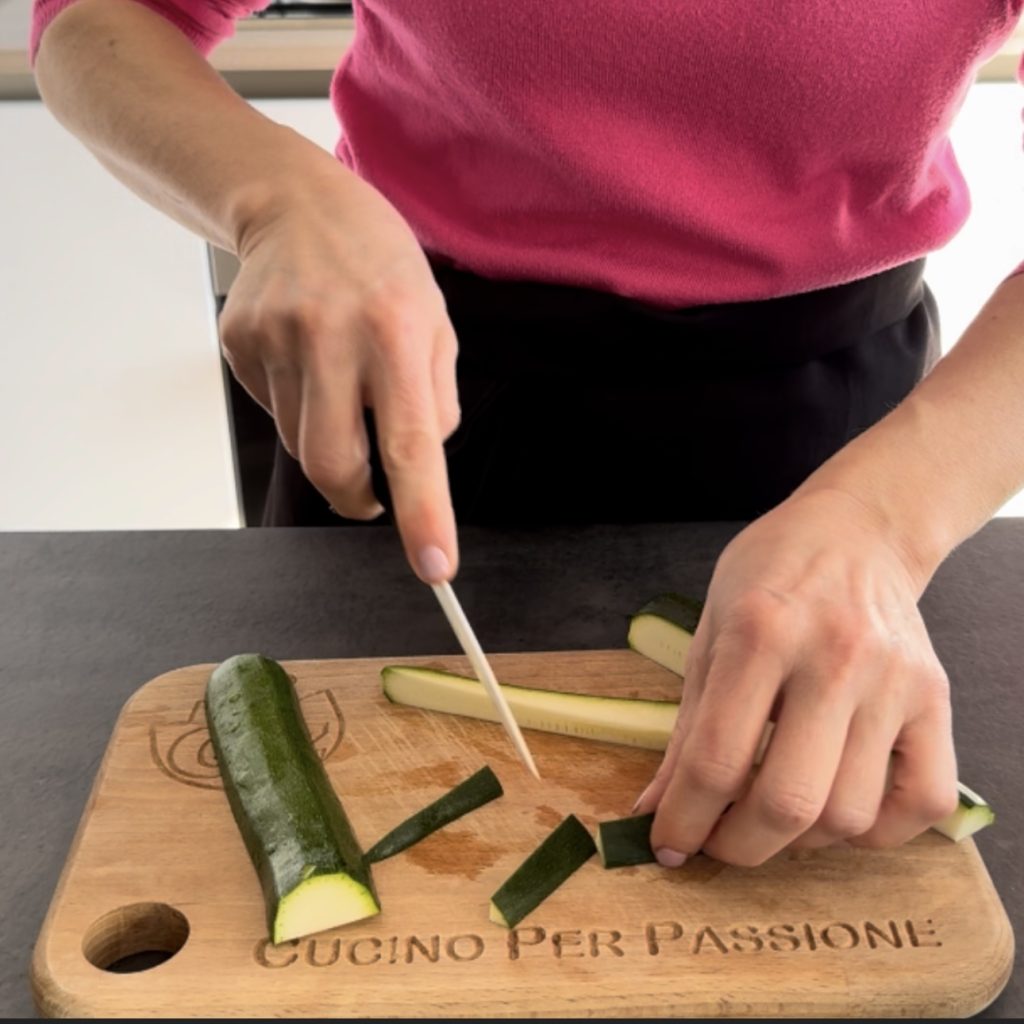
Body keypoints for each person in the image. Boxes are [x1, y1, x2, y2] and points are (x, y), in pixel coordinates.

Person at [30, 0, 1024, 870]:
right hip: (417, 367)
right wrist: (275, 198)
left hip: (839, 432)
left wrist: (887, 525)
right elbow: (102, 16)